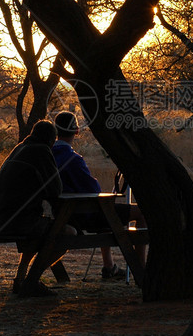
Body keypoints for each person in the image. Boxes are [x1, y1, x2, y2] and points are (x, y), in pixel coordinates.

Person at [52, 111, 146, 279]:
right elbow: (93, 190)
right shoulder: (73, 159)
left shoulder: (50, 156)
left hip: (62, 214)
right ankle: (141, 269)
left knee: (106, 212)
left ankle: (109, 267)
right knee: (140, 212)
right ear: (76, 131)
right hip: (81, 215)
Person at [0, 120, 74, 296]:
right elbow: (56, 189)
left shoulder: (20, 148)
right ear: (52, 140)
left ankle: (21, 279)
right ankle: (31, 281)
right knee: (68, 233)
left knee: (41, 232)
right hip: (18, 222)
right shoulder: (41, 150)